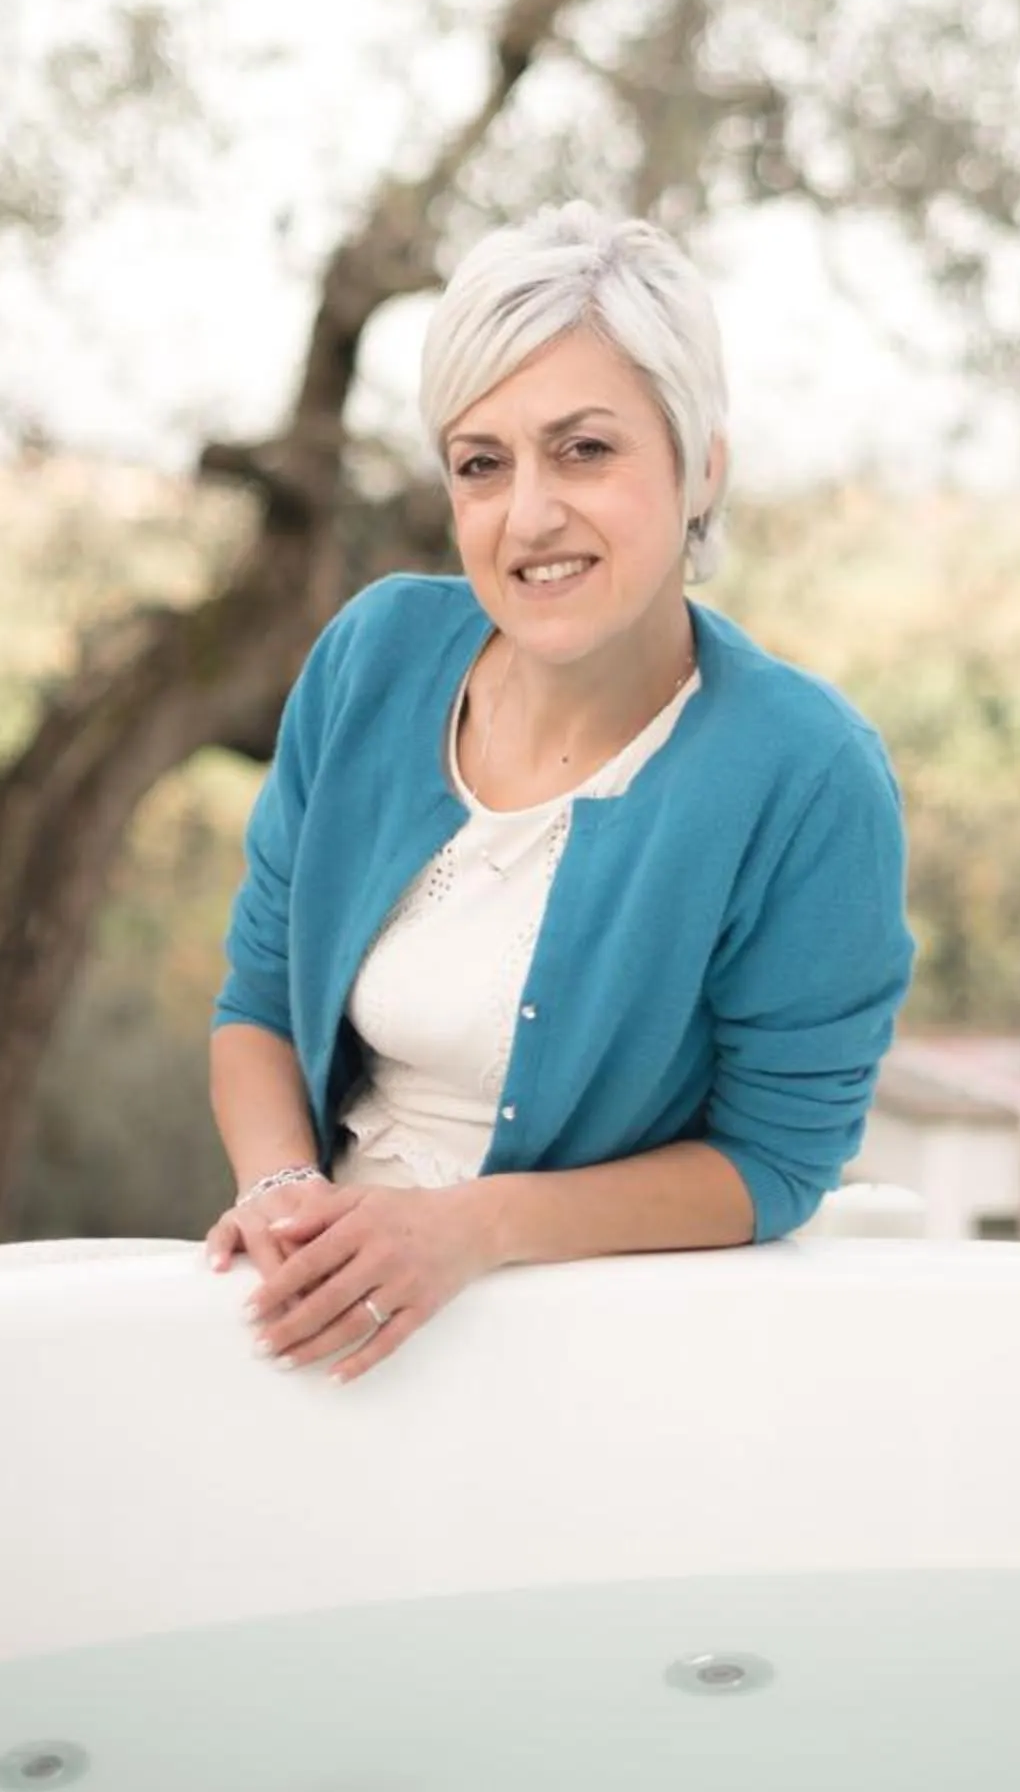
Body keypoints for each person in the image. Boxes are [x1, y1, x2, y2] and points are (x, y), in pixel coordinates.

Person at [204, 203, 914, 1378]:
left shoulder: (807, 776)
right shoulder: (371, 658)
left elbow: (775, 1166)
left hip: (611, 1372)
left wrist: (470, 1232)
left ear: (700, 468)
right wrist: (283, 1196)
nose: (529, 516)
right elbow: (260, 1007)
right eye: (483, 465)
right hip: (326, 1325)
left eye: (584, 449)